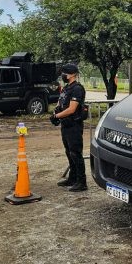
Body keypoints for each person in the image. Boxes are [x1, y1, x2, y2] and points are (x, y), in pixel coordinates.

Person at [50, 63, 87, 191]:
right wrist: (55, 112)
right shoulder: (66, 88)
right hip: (65, 125)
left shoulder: (77, 88)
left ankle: (82, 182)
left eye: (64, 73)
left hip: (74, 125)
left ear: (72, 74)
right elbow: (60, 102)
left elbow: (72, 109)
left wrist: (57, 116)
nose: (63, 75)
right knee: (69, 152)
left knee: (76, 153)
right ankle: (72, 178)